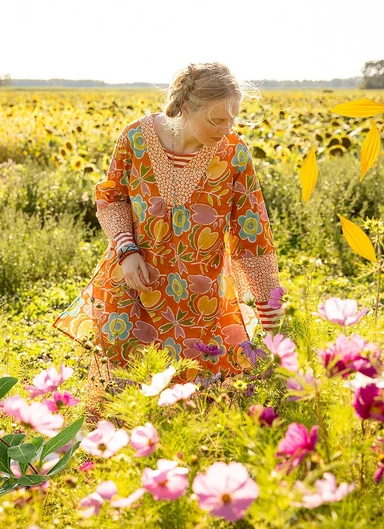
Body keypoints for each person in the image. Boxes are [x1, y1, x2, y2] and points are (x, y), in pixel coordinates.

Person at [52, 61, 283, 422]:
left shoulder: (235, 155)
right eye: (217, 120)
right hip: (135, 284)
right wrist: (126, 250)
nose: (227, 130)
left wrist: (272, 317)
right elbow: (112, 198)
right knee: (127, 402)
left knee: (197, 410)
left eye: (233, 119)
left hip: (200, 298)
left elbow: (252, 233)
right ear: (187, 108)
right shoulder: (135, 138)